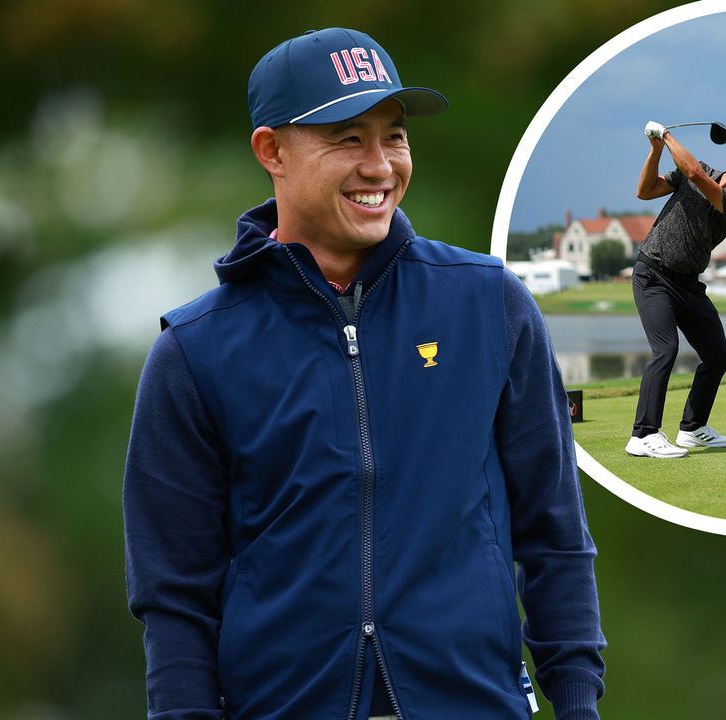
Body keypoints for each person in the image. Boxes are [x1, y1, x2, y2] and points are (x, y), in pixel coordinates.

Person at [122, 28, 605, 720]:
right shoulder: (195, 353)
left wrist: (578, 704)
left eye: (394, 136)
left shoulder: (490, 304)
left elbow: (555, 534)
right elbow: (174, 598)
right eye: (347, 138)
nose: (379, 166)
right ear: (272, 152)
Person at [624, 120, 726, 459]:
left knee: (718, 356)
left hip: (689, 285)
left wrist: (666, 136)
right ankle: (644, 434)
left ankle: (692, 429)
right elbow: (646, 191)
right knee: (665, 351)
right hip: (653, 275)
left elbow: (694, 175)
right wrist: (655, 150)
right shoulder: (697, 172)